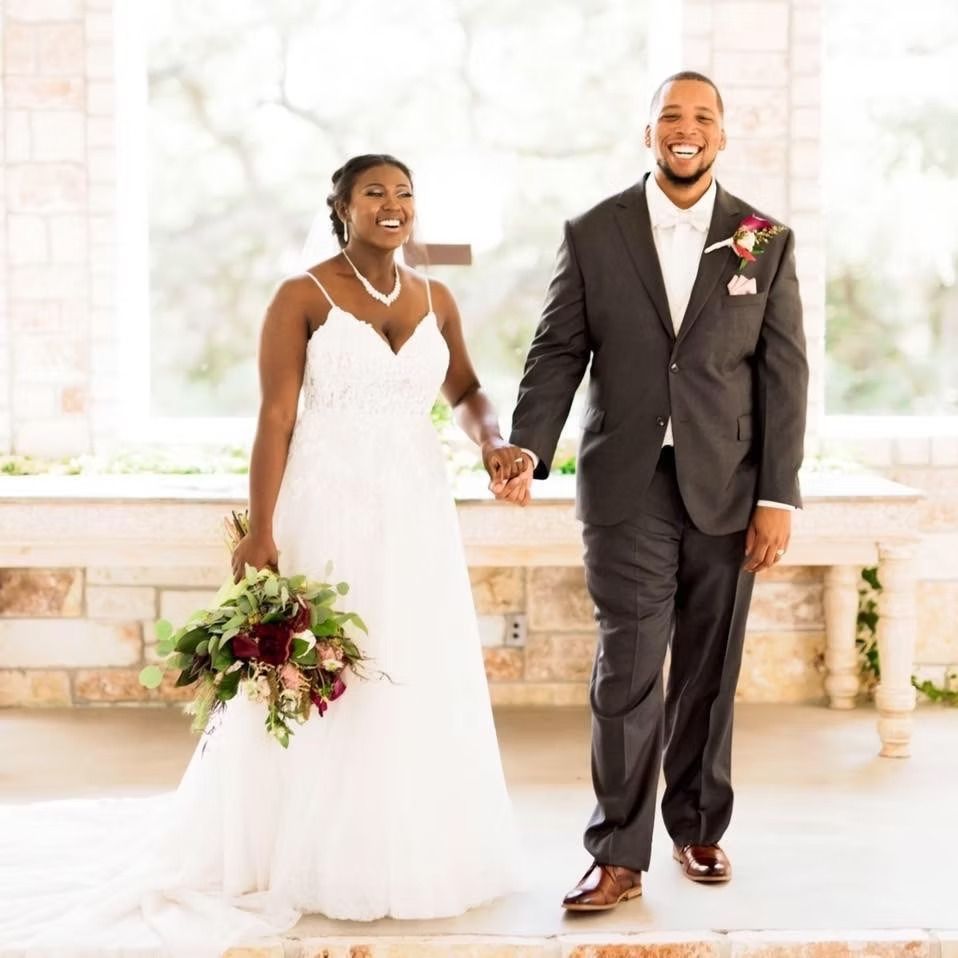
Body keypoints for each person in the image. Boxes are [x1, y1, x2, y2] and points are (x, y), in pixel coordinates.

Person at [0, 153, 525, 955]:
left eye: (406, 193)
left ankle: (406, 852)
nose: (394, 205)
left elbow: (466, 392)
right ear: (342, 208)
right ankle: (294, 853)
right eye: (374, 193)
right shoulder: (300, 297)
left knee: (414, 669)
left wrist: (494, 443)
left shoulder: (436, 296)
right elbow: (276, 417)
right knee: (328, 675)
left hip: (416, 514)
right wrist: (261, 529)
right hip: (329, 509)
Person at [496, 72, 809, 909]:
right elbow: (558, 350)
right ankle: (618, 854)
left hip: (732, 487)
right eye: (671, 115)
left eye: (703, 117)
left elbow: (784, 375)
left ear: (721, 135)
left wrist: (779, 496)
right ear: (648, 134)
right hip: (626, 485)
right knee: (627, 667)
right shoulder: (594, 231)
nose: (686, 128)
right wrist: (530, 445)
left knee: (710, 666)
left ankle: (699, 827)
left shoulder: (763, 238)